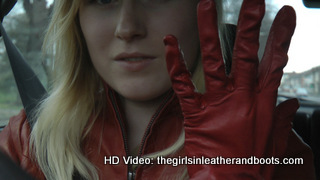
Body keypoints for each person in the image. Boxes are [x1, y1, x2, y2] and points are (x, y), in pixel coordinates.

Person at [0, 0, 317, 179]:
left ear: (202, 11)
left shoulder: (268, 147)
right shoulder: (28, 140)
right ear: (76, 20)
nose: (128, 28)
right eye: (102, 0)